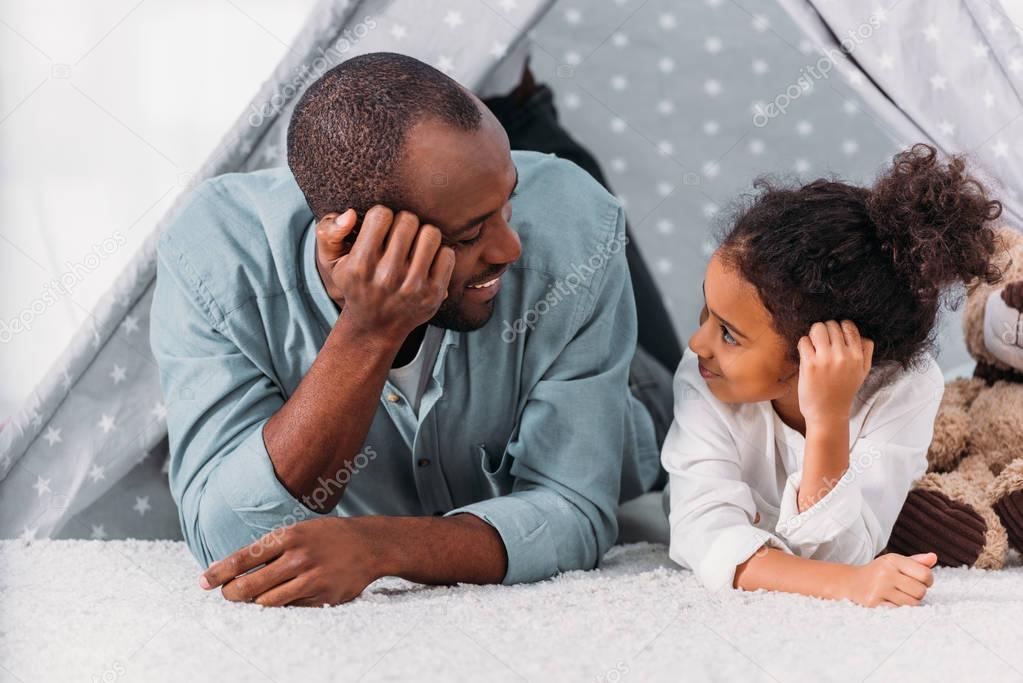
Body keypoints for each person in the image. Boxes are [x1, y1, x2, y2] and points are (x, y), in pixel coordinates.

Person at [150, 52, 672, 607]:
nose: (509, 248)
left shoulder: (575, 225)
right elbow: (228, 543)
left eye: (508, 203)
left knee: (714, 393)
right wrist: (368, 330)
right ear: (347, 239)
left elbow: (574, 511)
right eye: (470, 234)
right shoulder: (214, 259)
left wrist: (379, 547)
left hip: (641, 396)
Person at [661, 144, 1003, 607]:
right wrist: (847, 584)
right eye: (707, 312)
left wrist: (827, 421)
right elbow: (706, 535)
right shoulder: (704, 374)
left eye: (729, 334)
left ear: (814, 351)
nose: (697, 343)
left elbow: (844, 550)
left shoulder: (908, 387)